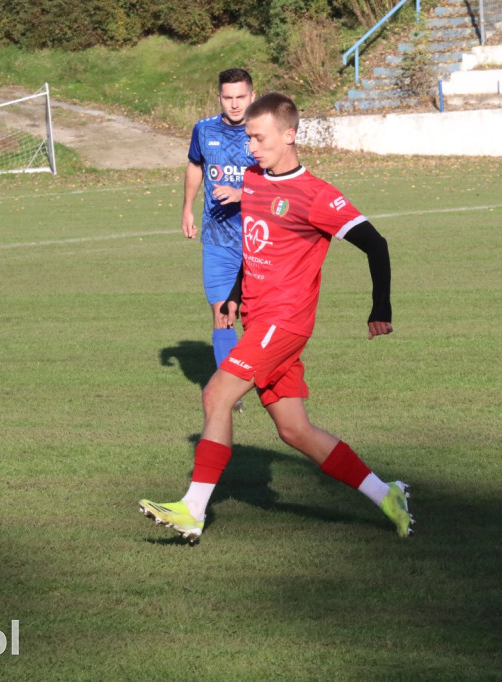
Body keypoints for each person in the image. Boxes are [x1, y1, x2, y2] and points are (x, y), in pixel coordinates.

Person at [141, 93, 412, 542]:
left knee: (216, 396)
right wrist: (231, 296)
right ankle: (387, 494)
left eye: (258, 137)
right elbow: (255, 247)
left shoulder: (317, 195)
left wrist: (379, 308)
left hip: (283, 324)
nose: (250, 147)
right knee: (294, 429)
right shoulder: (252, 179)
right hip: (256, 317)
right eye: (248, 137)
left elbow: (376, 244)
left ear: (289, 135)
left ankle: (193, 509)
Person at [181, 68, 257, 397]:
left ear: (252, 96)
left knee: (256, 318)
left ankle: (264, 377)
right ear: (219, 98)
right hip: (217, 238)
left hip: (259, 238)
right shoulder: (203, 129)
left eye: (241, 97)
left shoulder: (263, 132)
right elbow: (195, 165)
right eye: (228, 97)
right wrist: (186, 207)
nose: (235, 104)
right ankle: (230, 392)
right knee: (223, 312)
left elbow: (280, 181)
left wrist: (244, 194)